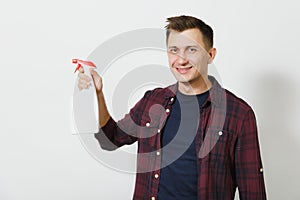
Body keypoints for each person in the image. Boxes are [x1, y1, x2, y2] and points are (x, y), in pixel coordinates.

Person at [77, 15, 267, 200]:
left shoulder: (239, 114)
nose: (181, 59)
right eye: (174, 50)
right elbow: (110, 139)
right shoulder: (153, 101)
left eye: (192, 50)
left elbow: (253, 192)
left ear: (210, 55)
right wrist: (98, 93)